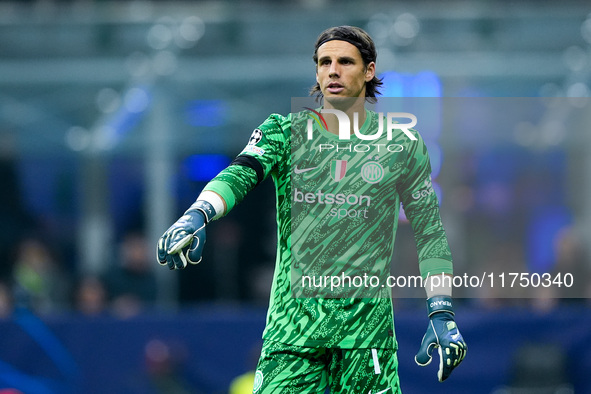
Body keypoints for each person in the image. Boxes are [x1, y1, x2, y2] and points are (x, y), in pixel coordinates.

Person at [157, 25, 466, 393]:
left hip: (367, 340)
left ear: (369, 71)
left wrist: (442, 310)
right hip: (292, 337)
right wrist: (199, 212)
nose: (332, 71)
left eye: (345, 62)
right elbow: (240, 174)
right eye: (324, 62)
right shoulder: (283, 132)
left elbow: (429, 232)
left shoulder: (401, 144)